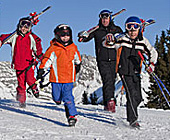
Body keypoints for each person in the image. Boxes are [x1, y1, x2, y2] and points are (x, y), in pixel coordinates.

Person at [103, 16, 158, 128]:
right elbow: (108, 44)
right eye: (129, 28)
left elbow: (153, 52)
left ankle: (131, 115)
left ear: (139, 29)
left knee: (138, 98)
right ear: (126, 29)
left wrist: (152, 64)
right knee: (131, 94)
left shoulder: (142, 41)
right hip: (124, 71)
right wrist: (108, 40)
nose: (132, 31)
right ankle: (133, 120)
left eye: (135, 28)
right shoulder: (122, 38)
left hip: (136, 72)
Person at [78, 9, 123, 113]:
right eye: (102, 18)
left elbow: (123, 38)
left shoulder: (116, 29)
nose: (104, 20)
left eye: (106, 18)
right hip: (102, 59)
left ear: (110, 18)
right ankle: (110, 102)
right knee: (107, 79)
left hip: (114, 59)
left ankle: (107, 101)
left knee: (111, 80)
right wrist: (82, 36)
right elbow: (84, 39)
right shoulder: (97, 30)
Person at [37, 24, 81, 126]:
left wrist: (78, 64)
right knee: (56, 97)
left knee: (68, 97)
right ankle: (58, 100)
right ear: (57, 36)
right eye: (62, 35)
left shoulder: (73, 47)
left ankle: (72, 116)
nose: (65, 37)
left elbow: (77, 58)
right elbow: (47, 60)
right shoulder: (53, 48)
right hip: (56, 79)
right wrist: (42, 69)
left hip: (68, 78)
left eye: (67, 35)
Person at [0, 17, 43, 107]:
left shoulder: (32, 37)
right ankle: (21, 100)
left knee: (30, 79)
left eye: (26, 28)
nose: (24, 29)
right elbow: (4, 38)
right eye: (22, 27)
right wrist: (0, 40)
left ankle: (34, 88)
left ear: (30, 28)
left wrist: (40, 56)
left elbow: (38, 44)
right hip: (18, 64)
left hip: (29, 63)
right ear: (19, 27)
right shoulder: (14, 36)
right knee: (21, 83)